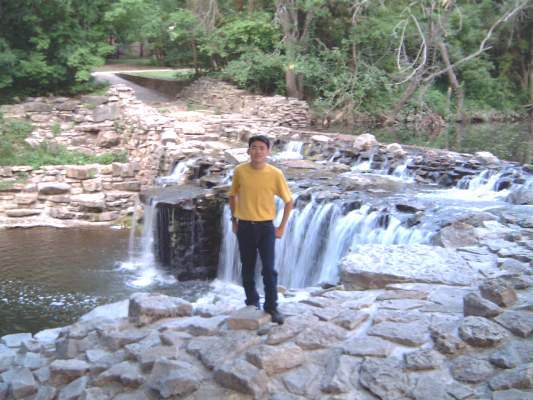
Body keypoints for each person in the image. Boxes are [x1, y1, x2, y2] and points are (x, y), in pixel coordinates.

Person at [228, 135, 293, 324]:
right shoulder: (240, 171)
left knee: (269, 269)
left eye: (262, 148)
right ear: (248, 151)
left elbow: (289, 201)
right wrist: (234, 220)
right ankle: (252, 302)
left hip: (266, 227)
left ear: (268, 152)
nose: (257, 151)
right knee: (247, 267)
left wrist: (281, 227)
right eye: (254, 147)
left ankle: (271, 306)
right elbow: (232, 196)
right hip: (245, 226)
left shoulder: (275, 174)